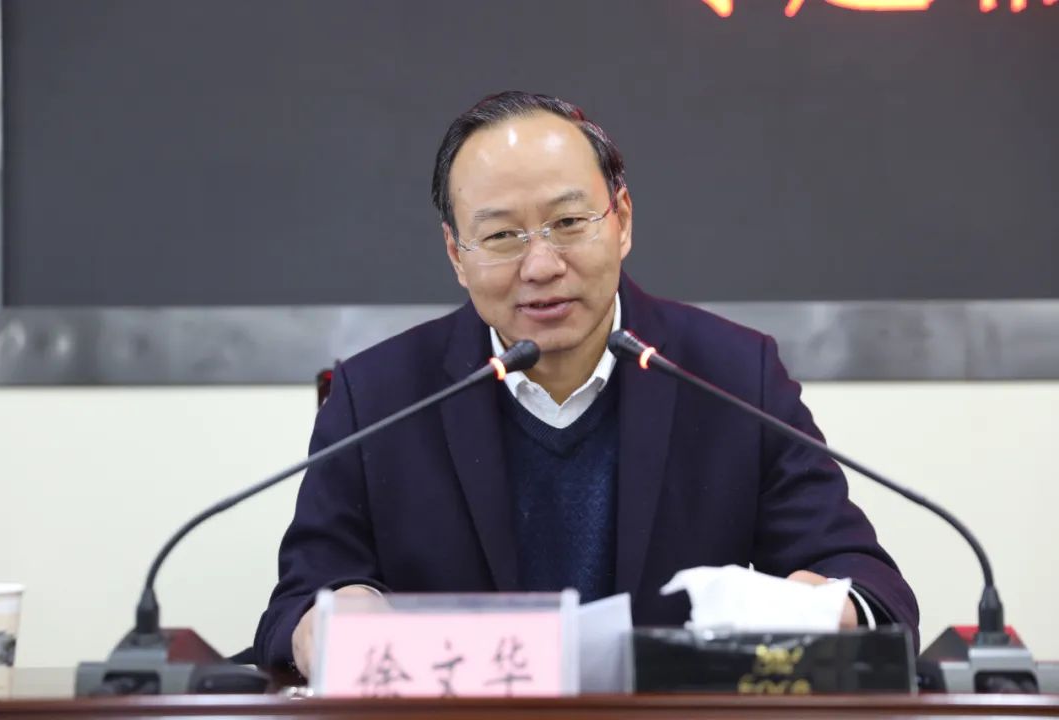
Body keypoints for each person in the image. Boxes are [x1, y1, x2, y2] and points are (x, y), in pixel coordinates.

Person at [253, 91, 918, 676]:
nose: (541, 265)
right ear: (457, 254)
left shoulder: (732, 376)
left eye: (569, 223)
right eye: (502, 235)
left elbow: (867, 584)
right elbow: (298, 602)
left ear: (621, 219)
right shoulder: (380, 396)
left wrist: (823, 608)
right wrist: (334, 616)